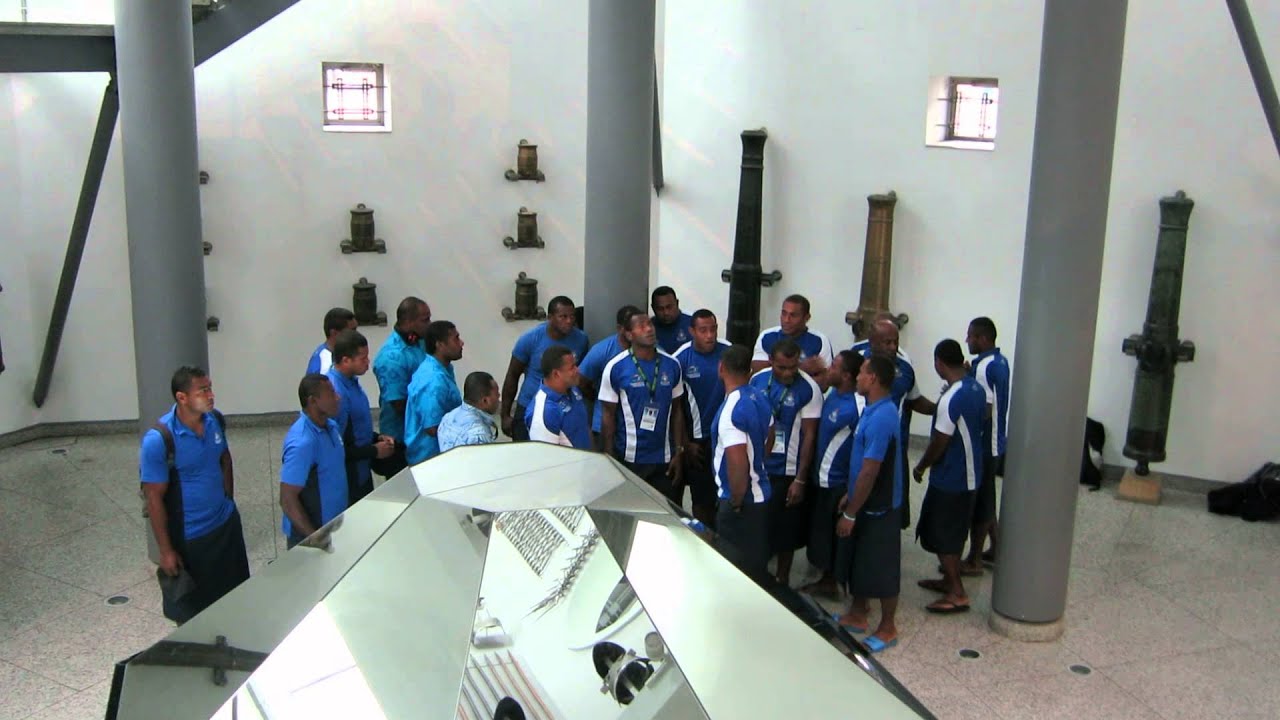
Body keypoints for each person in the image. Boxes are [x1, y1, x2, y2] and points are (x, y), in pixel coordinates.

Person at [139, 366, 249, 622]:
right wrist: (165, 550)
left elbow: (224, 458)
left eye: (210, 388)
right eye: (203, 390)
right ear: (182, 398)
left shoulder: (215, 421)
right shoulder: (159, 440)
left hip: (226, 527)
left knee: (236, 598)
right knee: (199, 614)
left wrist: (228, 502)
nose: (211, 395)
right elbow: (153, 498)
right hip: (193, 538)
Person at [834, 354, 905, 653]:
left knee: (882, 568)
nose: (858, 377)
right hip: (863, 500)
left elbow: (870, 469)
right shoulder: (872, 409)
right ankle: (858, 613)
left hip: (880, 507)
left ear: (873, 378)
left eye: (862, 372)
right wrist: (851, 495)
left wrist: (850, 514)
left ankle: (888, 627)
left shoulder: (883, 416)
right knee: (860, 560)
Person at [912, 339, 987, 614]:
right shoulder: (974, 387)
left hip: (952, 478)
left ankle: (957, 592)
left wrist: (921, 466)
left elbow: (940, 441)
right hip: (970, 473)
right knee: (954, 532)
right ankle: (947, 581)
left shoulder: (951, 397)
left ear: (938, 363)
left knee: (943, 535)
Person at [749, 338, 823, 586]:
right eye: (782, 368)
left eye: (793, 367)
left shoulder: (809, 389)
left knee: (787, 532)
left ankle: (782, 579)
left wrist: (800, 479)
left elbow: (810, 435)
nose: (788, 373)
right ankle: (757, 576)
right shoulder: (757, 381)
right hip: (759, 468)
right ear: (771, 361)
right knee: (759, 527)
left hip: (789, 471)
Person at [599, 312, 687, 504]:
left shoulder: (672, 365)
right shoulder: (616, 367)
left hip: (665, 458)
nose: (649, 329)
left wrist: (679, 451)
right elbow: (608, 415)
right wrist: (609, 458)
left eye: (650, 324)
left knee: (669, 516)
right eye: (641, 326)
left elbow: (678, 411)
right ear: (629, 335)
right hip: (630, 458)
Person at [860, 318, 935, 529]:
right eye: (887, 342)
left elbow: (914, 399)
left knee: (891, 502)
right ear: (872, 341)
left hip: (896, 447)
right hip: (864, 443)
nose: (893, 347)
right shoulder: (858, 361)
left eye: (895, 342)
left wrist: (942, 408)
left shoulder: (905, 367)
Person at [802, 350, 865, 598]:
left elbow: (860, 452)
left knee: (833, 535)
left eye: (835, 367)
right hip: (821, 477)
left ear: (847, 376)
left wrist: (851, 489)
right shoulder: (832, 395)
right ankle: (825, 577)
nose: (830, 369)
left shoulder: (855, 408)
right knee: (820, 533)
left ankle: (834, 582)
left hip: (837, 481)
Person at [710, 345, 775, 573]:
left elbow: (737, 462)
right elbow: (771, 434)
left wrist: (736, 500)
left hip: (741, 501)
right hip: (760, 495)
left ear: (721, 369)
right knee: (756, 564)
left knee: (736, 570)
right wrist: (757, 461)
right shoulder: (759, 397)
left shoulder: (732, 409)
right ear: (749, 371)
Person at [500, 296, 590, 441]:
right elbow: (512, 375)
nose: (569, 321)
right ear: (550, 318)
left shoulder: (581, 339)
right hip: (529, 404)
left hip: (564, 407)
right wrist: (505, 415)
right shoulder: (530, 339)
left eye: (572, 316)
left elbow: (580, 373)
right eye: (563, 317)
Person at [674, 309, 731, 528]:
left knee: (724, 496)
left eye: (713, 329)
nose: (709, 335)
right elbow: (676, 407)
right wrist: (685, 443)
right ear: (692, 331)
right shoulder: (680, 359)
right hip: (698, 442)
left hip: (726, 438)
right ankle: (704, 542)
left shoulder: (728, 352)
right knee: (701, 500)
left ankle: (723, 543)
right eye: (703, 330)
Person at [280, 374, 348, 549]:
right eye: (331, 393)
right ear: (313, 401)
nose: (337, 397)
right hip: (312, 536)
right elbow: (287, 499)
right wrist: (316, 537)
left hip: (335, 525)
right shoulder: (303, 442)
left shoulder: (332, 427)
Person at [965, 316, 1011, 571]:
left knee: (981, 502)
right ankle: (996, 547)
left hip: (985, 444)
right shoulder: (999, 361)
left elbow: (985, 408)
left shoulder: (983, 367)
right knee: (989, 496)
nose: (967, 340)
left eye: (971, 336)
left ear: (983, 338)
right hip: (998, 441)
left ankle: (974, 558)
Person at [327, 330, 394, 504]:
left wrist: (376, 437)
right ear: (345, 360)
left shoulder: (351, 382)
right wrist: (374, 451)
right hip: (348, 476)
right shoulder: (337, 393)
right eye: (362, 358)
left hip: (362, 469)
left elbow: (355, 427)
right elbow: (335, 446)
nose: (368, 362)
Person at [372, 296, 432, 476]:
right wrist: (433, 419)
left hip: (425, 432)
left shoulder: (420, 342)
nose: (430, 324)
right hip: (403, 439)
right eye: (425, 320)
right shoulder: (392, 357)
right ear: (408, 321)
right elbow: (400, 405)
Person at [579, 304, 642, 449]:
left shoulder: (650, 349)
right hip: (605, 425)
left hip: (637, 427)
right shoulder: (602, 351)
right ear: (620, 329)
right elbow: (581, 380)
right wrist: (595, 395)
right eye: (630, 328)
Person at [404, 321, 464, 463]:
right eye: (456, 338)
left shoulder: (443, 368)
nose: (461, 343)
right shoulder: (433, 380)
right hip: (430, 459)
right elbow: (432, 428)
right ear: (440, 344)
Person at [751, 294, 834, 386]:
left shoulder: (820, 341)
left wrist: (779, 368)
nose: (786, 320)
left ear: (807, 317)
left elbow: (824, 384)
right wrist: (802, 369)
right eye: (784, 313)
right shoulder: (767, 336)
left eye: (793, 315)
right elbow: (758, 373)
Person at [526, 346, 591, 449]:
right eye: (572, 367)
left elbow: (584, 429)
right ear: (556, 374)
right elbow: (546, 457)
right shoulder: (545, 412)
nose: (577, 370)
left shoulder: (573, 390)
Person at [438, 371, 501, 451]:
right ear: (485, 401)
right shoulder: (479, 435)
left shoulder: (447, 418)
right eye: (497, 393)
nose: (499, 396)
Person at [306, 307, 357, 375]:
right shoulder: (326, 364)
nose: (356, 335)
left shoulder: (337, 355)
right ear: (334, 333)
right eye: (352, 331)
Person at [651, 285, 693, 354]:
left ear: (677, 303)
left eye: (669, 307)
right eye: (660, 309)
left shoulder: (693, 323)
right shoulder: (648, 328)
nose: (666, 313)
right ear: (653, 308)